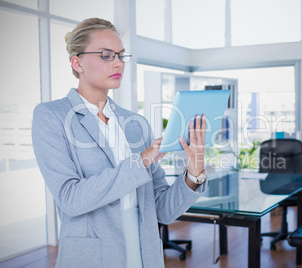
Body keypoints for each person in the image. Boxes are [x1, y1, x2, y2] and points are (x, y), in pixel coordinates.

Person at [32, 17, 207, 268]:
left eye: (121, 56)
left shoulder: (135, 123)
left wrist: (194, 171)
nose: (118, 63)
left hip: (144, 254)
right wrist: (142, 160)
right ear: (77, 62)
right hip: (93, 258)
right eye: (106, 55)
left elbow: (163, 210)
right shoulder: (52, 116)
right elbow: (70, 199)